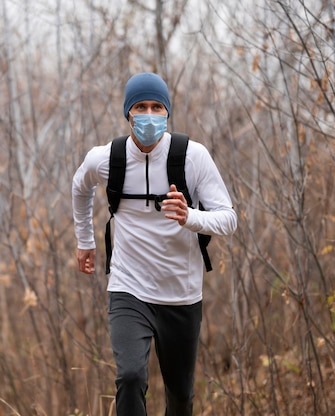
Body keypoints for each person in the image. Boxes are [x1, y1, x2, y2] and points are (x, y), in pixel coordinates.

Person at [71, 72, 237, 415]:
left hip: (181, 293)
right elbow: (80, 186)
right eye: (140, 107)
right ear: (128, 113)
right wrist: (85, 241)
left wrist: (189, 216)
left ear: (167, 112)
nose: (149, 114)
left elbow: (228, 218)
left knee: (180, 397)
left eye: (157, 107)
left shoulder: (192, 157)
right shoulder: (107, 159)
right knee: (130, 377)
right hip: (128, 288)